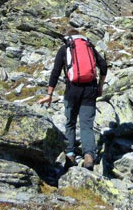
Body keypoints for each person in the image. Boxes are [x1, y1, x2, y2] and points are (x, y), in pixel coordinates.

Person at [38, 28, 108, 170]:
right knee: (86, 124)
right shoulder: (89, 47)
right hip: (90, 90)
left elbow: (56, 71)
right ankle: (89, 155)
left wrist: (49, 94)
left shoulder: (65, 48)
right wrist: (100, 86)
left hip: (72, 91)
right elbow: (103, 65)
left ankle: (70, 154)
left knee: (70, 123)